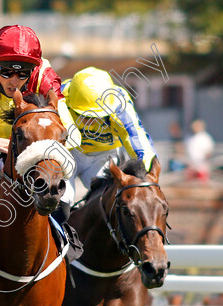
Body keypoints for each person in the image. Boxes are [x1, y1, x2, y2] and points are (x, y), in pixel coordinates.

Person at [0, 25, 75, 183]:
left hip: (22, 148)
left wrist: (37, 150)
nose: (14, 81)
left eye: (23, 73)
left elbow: (70, 130)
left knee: (60, 187)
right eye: (6, 72)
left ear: (33, 70)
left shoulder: (44, 76)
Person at [61, 67, 158, 211]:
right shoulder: (59, 96)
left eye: (98, 115)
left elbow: (136, 136)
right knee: (59, 202)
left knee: (110, 204)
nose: (91, 121)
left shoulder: (120, 103)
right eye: (85, 115)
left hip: (102, 156)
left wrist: (148, 172)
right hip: (67, 154)